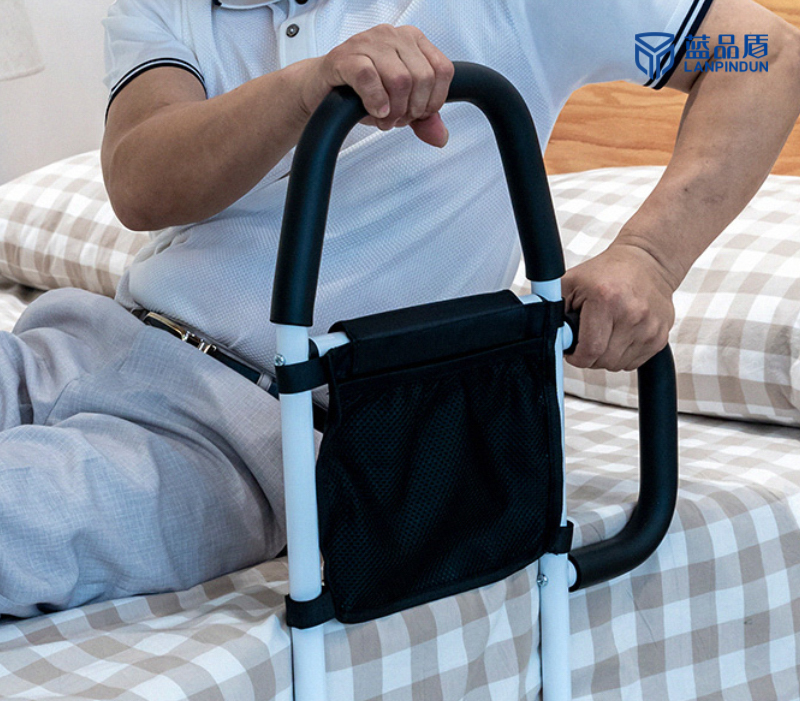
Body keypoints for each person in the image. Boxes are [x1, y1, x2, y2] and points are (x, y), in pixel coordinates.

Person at [0, 0, 797, 616]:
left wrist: (650, 256)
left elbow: (764, 53)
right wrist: (307, 86)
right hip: (82, 342)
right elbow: (140, 183)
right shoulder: (170, 9)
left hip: (243, 432)